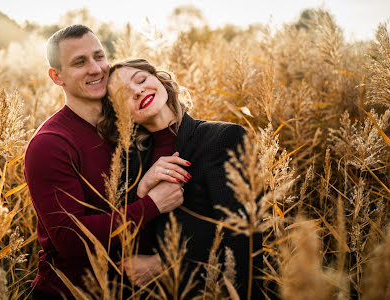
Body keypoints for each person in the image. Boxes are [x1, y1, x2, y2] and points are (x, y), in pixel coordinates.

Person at [23, 26, 184, 299]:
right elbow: (70, 239)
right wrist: (150, 204)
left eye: (99, 56)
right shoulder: (50, 144)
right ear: (56, 76)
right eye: (79, 62)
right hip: (70, 293)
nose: (96, 69)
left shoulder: (132, 124)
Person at [108, 58, 264, 299]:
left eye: (141, 79)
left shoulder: (223, 138)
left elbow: (243, 234)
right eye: (123, 95)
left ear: (159, 80)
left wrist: (166, 263)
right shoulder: (130, 163)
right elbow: (125, 242)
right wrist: (142, 189)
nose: (138, 91)